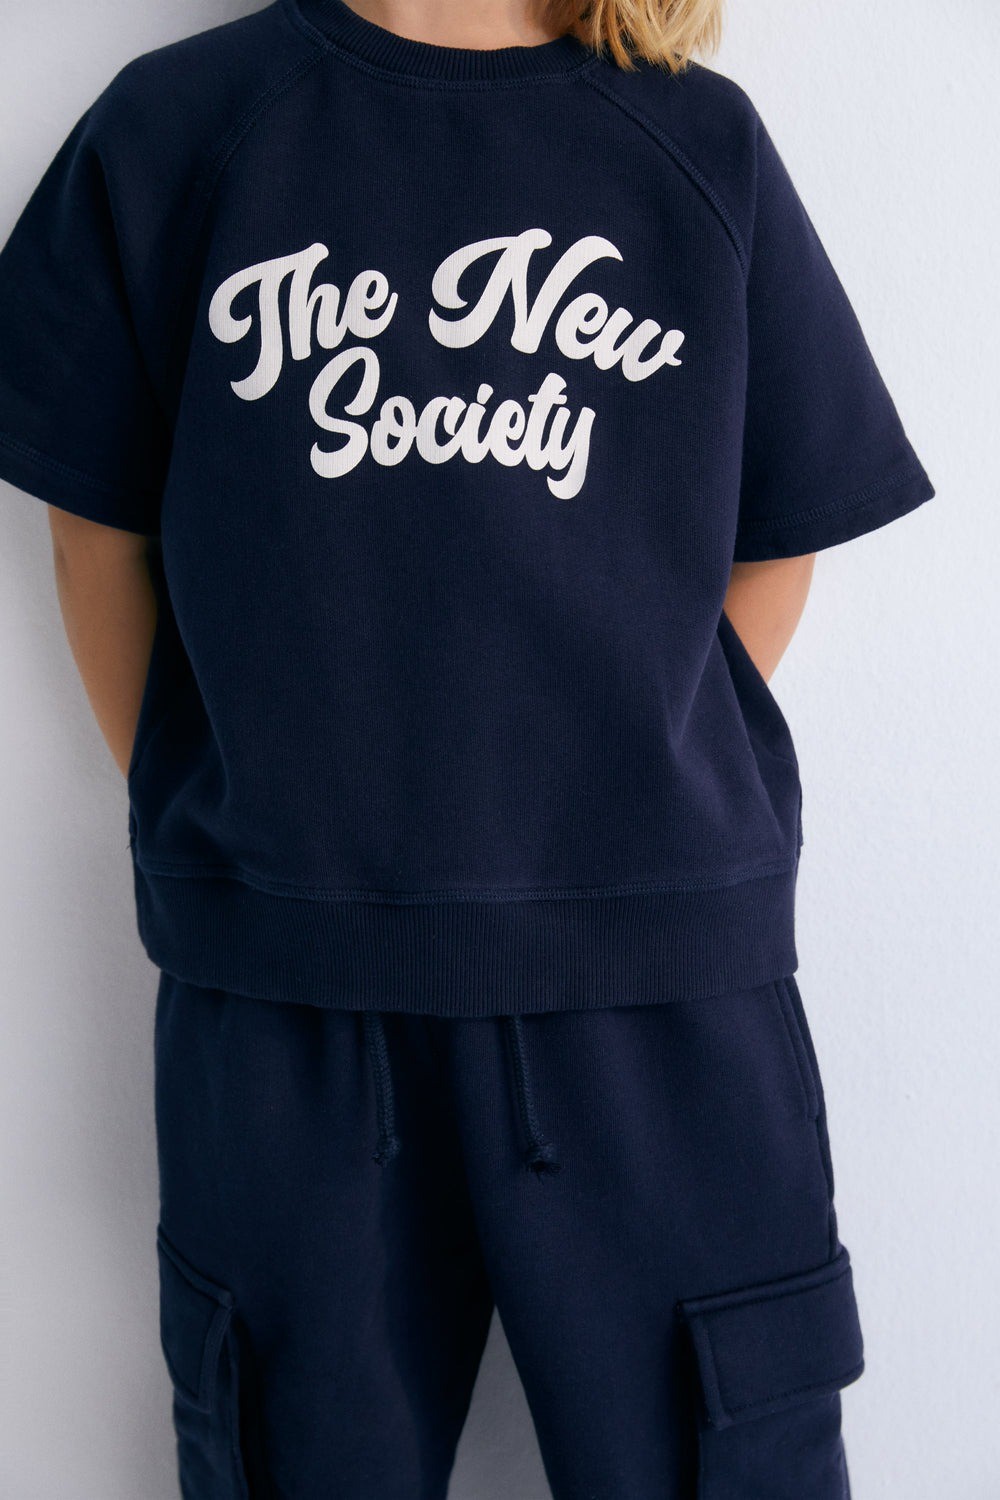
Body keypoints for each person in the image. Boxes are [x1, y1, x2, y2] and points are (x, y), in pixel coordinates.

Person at [0, 0, 934, 1495]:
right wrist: (223, 798)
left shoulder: (694, 145)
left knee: (728, 1462)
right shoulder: (179, 130)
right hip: (288, 998)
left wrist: (629, 759)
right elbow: (93, 532)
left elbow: (779, 532)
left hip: (660, 997)